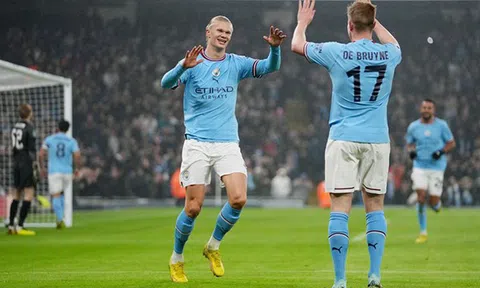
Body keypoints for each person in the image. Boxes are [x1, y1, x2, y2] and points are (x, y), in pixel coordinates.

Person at [161, 15, 286, 283]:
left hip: (227, 142)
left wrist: (274, 48)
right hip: (197, 143)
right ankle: (177, 258)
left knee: (239, 199)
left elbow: (269, 68)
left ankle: (213, 246)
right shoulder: (193, 62)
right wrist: (182, 67)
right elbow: (165, 83)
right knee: (193, 207)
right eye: (219, 30)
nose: (224, 35)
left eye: (228, 32)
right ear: (208, 32)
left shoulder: (236, 63)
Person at [291, 0, 401, 287]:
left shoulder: (336, 52)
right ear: (372, 25)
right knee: (375, 206)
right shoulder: (389, 54)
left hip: (343, 138)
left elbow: (296, 45)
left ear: (350, 25)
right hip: (377, 140)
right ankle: (374, 274)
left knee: (340, 206)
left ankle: (340, 280)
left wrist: (302, 22)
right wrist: (373, 21)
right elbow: (395, 43)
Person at [406, 99, 455, 244]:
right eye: (424, 107)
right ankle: (423, 232)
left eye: (429, 108)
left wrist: (441, 151)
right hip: (419, 166)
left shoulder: (442, 125)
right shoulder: (413, 126)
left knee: (434, 202)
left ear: (433, 110)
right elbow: (409, 144)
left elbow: (451, 142)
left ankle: (436, 205)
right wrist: (411, 152)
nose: (426, 110)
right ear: (420, 109)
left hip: (437, 167)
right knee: (421, 196)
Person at [38, 120, 81, 229]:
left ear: (58, 127)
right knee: (61, 193)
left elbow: (41, 154)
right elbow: (77, 155)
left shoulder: (50, 139)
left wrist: (42, 167)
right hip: (67, 172)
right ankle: (61, 216)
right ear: (67, 129)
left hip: (54, 171)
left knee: (56, 195)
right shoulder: (71, 141)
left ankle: (59, 219)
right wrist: (77, 169)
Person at [7, 104, 39, 236]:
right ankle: (20, 226)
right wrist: (35, 164)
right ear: (29, 113)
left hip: (16, 162)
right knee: (29, 193)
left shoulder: (14, 127)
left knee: (16, 194)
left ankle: (10, 225)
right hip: (26, 162)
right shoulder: (30, 128)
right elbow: (32, 149)